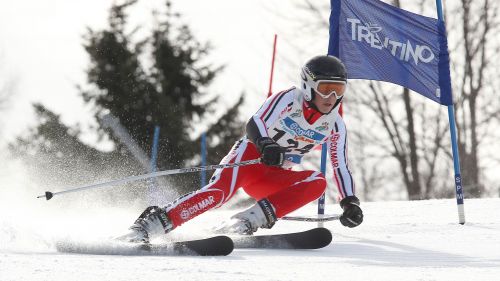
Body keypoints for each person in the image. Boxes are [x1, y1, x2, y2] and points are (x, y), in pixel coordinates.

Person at [120, 55, 363, 243]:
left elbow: (340, 165)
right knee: (218, 194)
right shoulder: (289, 100)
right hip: (250, 158)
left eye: (339, 90)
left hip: (272, 175)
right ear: (309, 85)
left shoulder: (335, 125)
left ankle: (245, 222)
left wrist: (349, 202)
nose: (331, 96)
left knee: (317, 182)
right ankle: (151, 223)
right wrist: (265, 144)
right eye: (325, 88)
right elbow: (255, 123)